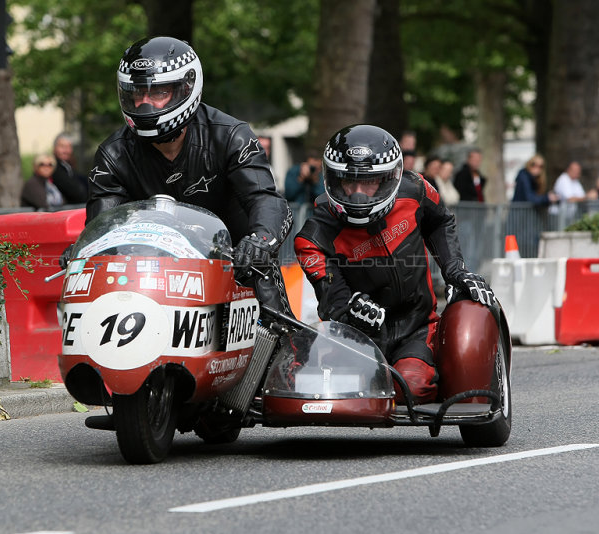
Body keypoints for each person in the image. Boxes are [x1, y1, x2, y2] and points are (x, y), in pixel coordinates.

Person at [73, 36, 293, 315]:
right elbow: (104, 226)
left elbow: (265, 199)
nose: (145, 104)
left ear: (186, 87)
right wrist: (86, 250)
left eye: (157, 92)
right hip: (152, 273)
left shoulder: (231, 136)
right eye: (137, 94)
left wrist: (260, 241)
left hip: (236, 263)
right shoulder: (113, 155)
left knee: (271, 307)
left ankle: (283, 348)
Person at [294, 124, 495, 404]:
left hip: (416, 325)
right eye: (348, 182)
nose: (358, 194)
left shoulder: (415, 189)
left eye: (370, 182)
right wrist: (351, 309)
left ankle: (441, 367)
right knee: (354, 391)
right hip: (358, 338)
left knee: (409, 387)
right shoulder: (313, 236)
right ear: (333, 180)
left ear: (390, 178)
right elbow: (331, 301)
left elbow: (441, 221)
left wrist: (455, 271)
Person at [51, 133, 88, 204]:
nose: (66, 151)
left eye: (69, 147)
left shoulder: (67, 165)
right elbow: (76, 193)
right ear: (54, 148)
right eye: (62, 146)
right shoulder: (53, 166)